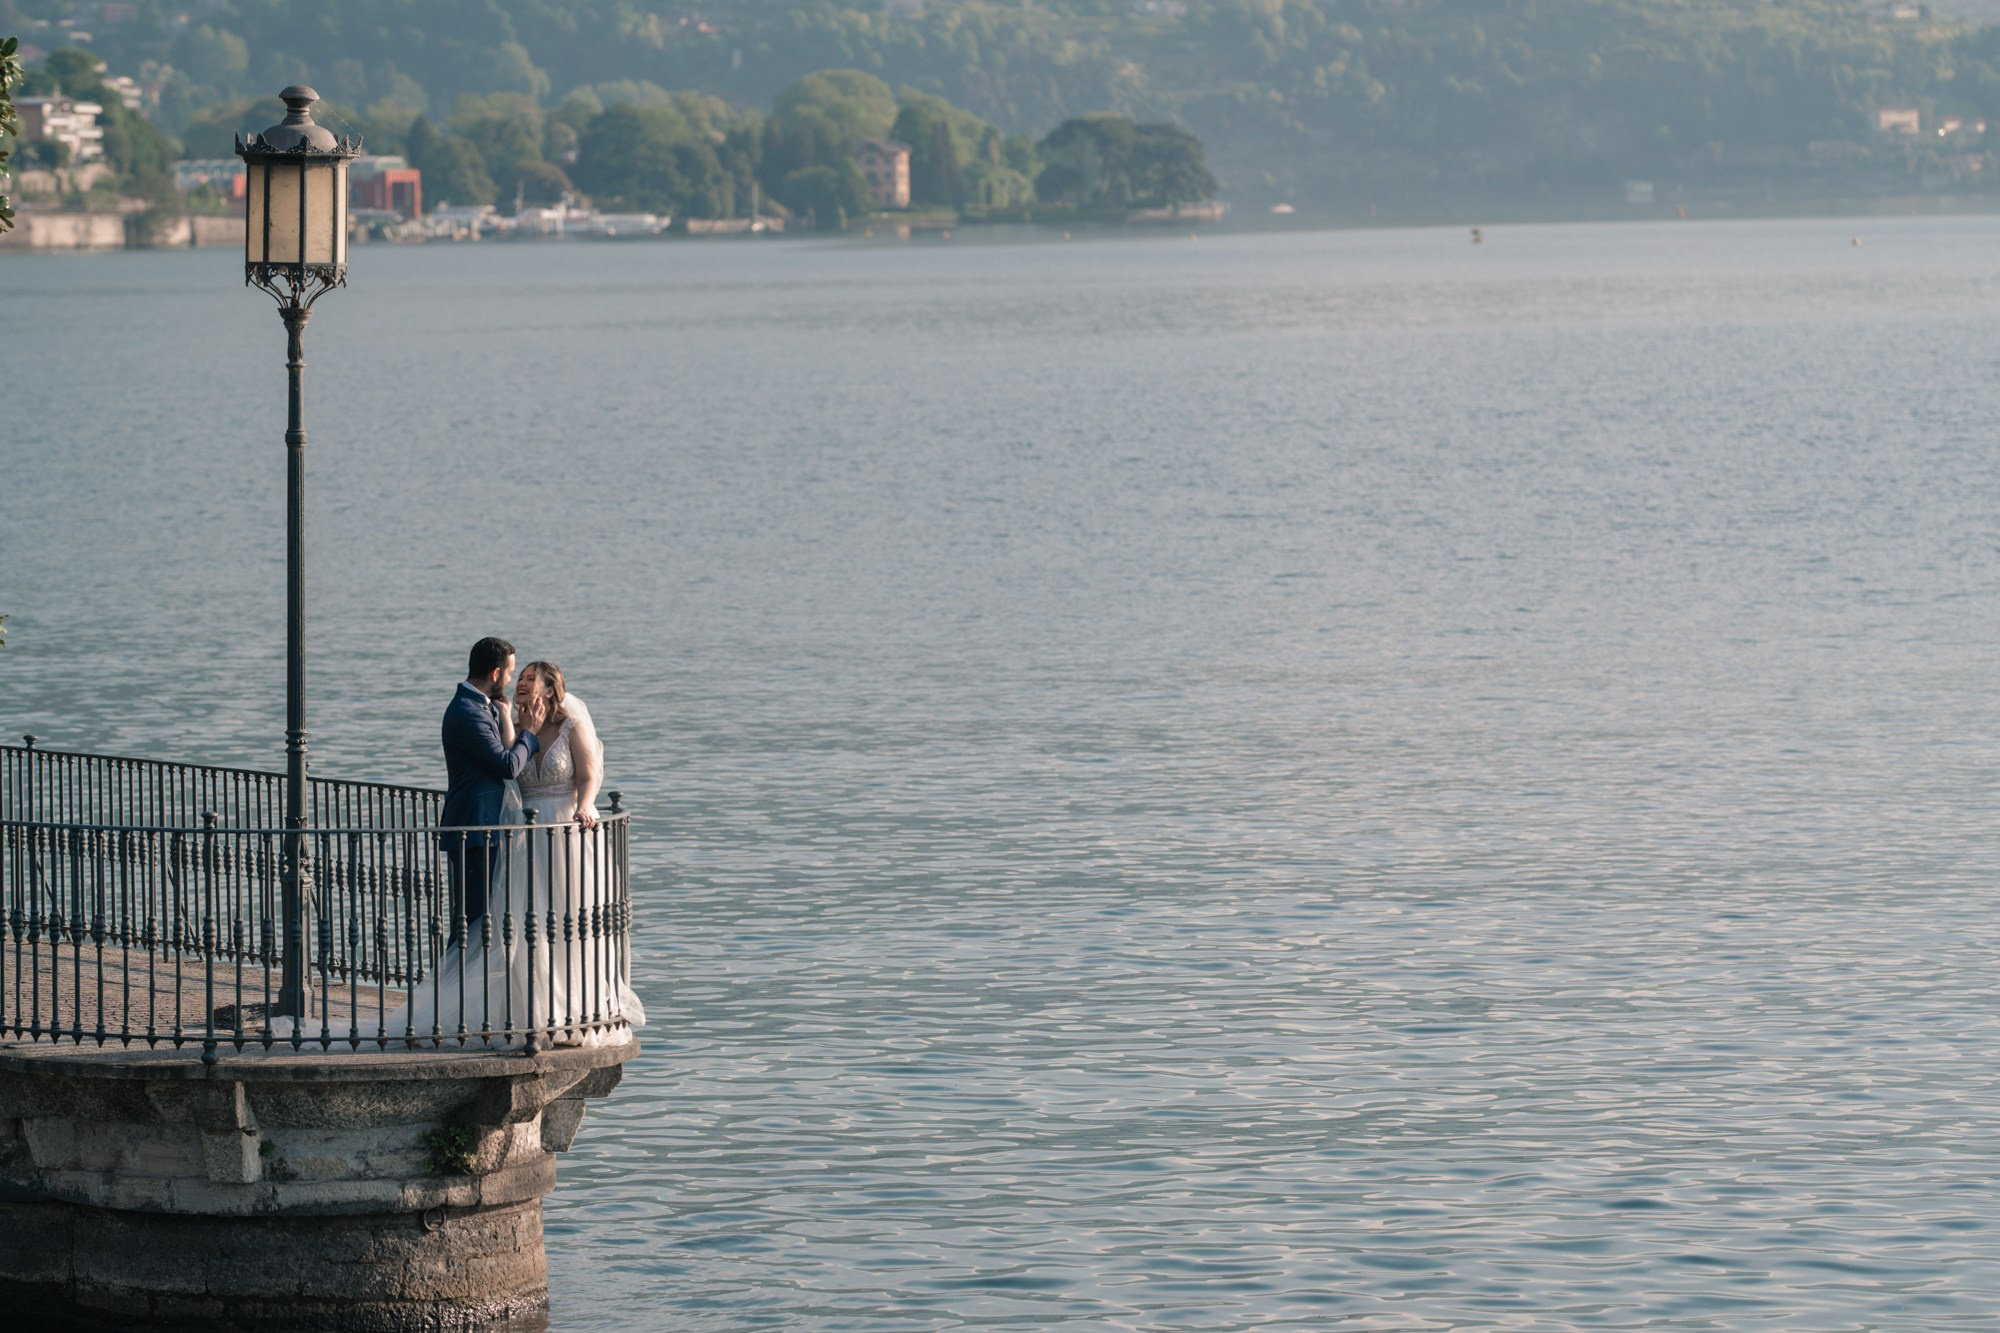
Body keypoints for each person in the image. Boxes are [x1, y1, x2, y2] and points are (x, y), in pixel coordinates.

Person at [502, 660, 645, 1045]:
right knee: (530, 919)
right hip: (527, 832)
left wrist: (585, 805)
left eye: (531, 678)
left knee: (571, 916)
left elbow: (589, 774)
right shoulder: (516, 727)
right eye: (521, 677)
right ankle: (535, 1009)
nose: (522, 682)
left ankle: (578, 1010)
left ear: (549, 688)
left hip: (566, 824)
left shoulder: (570, 725)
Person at [440, 637, 545, 926]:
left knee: (484, 921)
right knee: (473, 924)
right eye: (510, 673)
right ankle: (459, 973)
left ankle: (476, 972)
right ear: (495, 673)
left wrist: (506, 715)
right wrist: (530, 733)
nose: (511, 680)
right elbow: (508, 765)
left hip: (485, 828)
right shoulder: (468, 713)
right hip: (474, 831)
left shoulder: (481, 706)